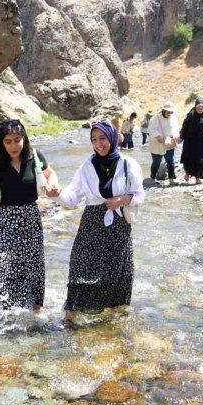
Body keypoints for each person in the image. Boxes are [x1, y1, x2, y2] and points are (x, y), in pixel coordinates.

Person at [47, 121, 144, 322]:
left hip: (118, 226)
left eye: (102, 138)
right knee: (80, 268)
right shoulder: (87, 166)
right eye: (94, 140)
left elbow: (140, 195)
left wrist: (123, 199)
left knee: (116, 273)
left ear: (112, 138)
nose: (99, 144)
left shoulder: (129, 164)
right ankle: (70, 319)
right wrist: (57, 194)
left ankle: (113, 322)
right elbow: (72, 199)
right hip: (91, 225)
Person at [0, 120, 60, 321]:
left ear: (24, 139)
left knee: (33, 265)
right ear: (1, 143)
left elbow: (50, 174)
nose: (14, 145)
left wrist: (53, 185)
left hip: (31, 219)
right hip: (6, 221)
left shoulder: (35, 157)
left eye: (17, 140)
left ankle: (36, 313)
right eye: (8, 141)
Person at [180, 97, 203, 184]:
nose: (200, 109)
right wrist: (181, 137)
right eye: (198, 107)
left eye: (201, 107)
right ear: (195, 106)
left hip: (202, 142)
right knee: (188, 159)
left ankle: (198, 178)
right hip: (190, 141)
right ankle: (188, 173)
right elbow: (184, 126)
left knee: (201, 160)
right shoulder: (190, 114)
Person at [147, 101, 180, 185]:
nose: (170, 113)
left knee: (170, 161)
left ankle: (171, 179)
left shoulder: (174, 118)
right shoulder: (155, 118)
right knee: (156, 162)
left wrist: (176, 135)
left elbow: (176, 129)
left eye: (171, 112)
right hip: (157, 143)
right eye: (168, 112)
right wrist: (158, 136)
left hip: (169, 142)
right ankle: (152, 178)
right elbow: (151, 129)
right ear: (163, 110)